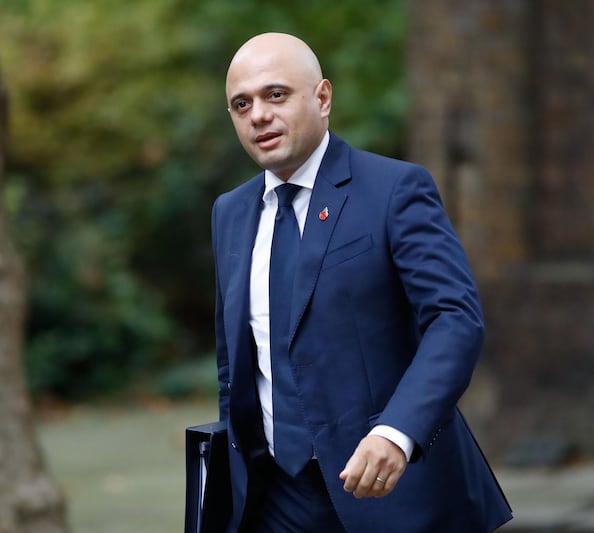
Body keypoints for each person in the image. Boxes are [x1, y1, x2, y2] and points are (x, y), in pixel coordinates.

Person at [211, 32, 512, 532]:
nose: (258, 115)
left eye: (276, 95)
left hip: (391, 495)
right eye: (241, 104)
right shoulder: (230, 213)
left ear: (323, 97)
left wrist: (397, 432)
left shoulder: (394, 189)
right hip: (272, 500)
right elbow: (236, 360)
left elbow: (454, 321)